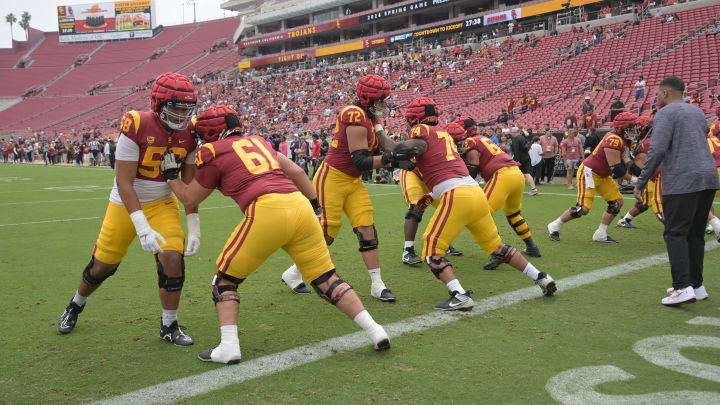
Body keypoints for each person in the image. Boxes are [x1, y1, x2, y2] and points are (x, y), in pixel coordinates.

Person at [160, 105, 390, 364]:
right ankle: (375, 330)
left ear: (211, 133)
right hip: (299, 206)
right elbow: (298, 172)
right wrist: (315, 206)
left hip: (267, 210)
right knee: (327, 279)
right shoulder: (258, 142)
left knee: (224, 281)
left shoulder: (214, 152)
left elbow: (190, 197)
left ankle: (229, 347)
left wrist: (171, 177)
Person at [57, 72, 201, 346]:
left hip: (162, 202)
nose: (182, 115)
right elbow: (123, 182)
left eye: (186, 108)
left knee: (172, 259)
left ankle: (169, 325)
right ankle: (76, 304)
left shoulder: (190, 133)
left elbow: (189, 187)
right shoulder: (137, 124)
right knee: (102, 266)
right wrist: (142, 226)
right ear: (158, 104)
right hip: (125, 203)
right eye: (176, 107)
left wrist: (194, 226)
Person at [400, 97, 555, 311]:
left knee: (431, 250)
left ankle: (459, 295)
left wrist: (387, 149)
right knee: (497, 247)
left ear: (415, 118)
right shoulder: (444, 135)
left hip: (457, 195)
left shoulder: (421, 132)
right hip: (475, 192)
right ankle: (541, 277)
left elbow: (410, 151)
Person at [281, 75, 414, 302]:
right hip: (332, 177)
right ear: (368, 99)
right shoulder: (354, 115)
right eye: (382, 99)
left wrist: (409, 152)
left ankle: (377, 284)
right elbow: (360, 161)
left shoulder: (371, 117)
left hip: (353, 182)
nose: (385, 103)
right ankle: (294, 271)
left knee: (367, 229)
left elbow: (388, 145)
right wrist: (393, 159)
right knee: (327, 232)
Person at [635, 76, 718, 306]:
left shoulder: (664, 113)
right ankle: (696, 285)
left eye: (657, 94)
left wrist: (641, 182)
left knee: (675, 233)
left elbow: (658, 149)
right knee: (694, 233)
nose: (655, 98)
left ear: (664, 94)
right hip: (708, 176)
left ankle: (682, 287)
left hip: (683, 179)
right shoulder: (698, 112)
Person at [449, 121, 541, 270]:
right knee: (514, 214)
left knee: (481, 213)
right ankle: (532, 246)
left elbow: (472, 171)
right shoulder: (482, 139)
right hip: (516, 174)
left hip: (501, 175)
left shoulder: (470, 142)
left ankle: (498, 252)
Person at [547, 112, 638, 243]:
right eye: (631, 128)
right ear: (622, 128)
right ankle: (555, 225)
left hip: (603, 175)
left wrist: (643, 174)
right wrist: (635, 180)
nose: (634, 131)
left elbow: (628, 163)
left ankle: (601, 233)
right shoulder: (614, 139)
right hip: (589, 172)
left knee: (617, 203)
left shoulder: (623, 140)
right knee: (582, 209)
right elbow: (616, 168)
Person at [618, 116, 664, 228]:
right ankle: (677, 231)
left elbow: (638, 167)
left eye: (638, 128)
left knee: (646, 203)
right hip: (656, 176)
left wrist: (628, 161)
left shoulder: (645, 142)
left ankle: (625, 220)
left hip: (654, 175)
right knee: (658, 206)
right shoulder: (649, 141)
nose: (636, 131)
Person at [510, 125, 538, 195]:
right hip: (527, 157)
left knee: (515, 174)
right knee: (527, 174)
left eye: (512, 132)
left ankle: (514, 189)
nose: (511, 134)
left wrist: (517, 161)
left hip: (520, 159)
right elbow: (527, 146)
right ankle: (534, 189)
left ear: (514, 132)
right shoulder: (523, 137)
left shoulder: (516, 139)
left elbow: (516, 151)